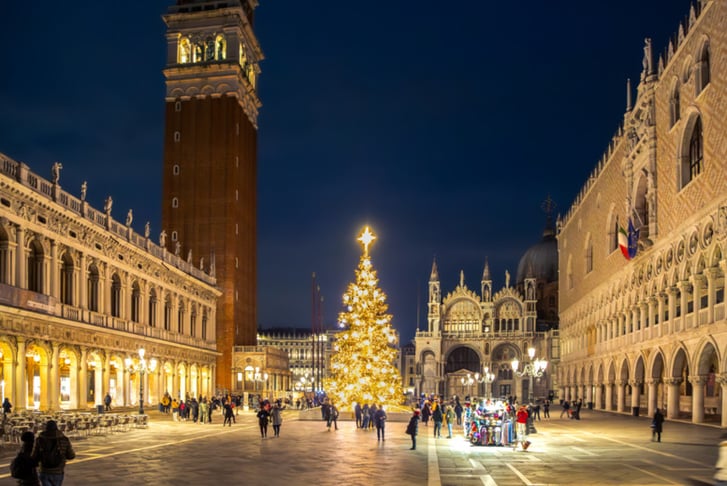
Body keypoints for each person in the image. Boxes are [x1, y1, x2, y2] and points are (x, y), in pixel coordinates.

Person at [31, 420, 75, 486]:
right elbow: (71, 456)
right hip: (58, 471)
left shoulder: (39, 440)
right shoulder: (64, 439)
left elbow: (34, 456)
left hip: (44, 470)